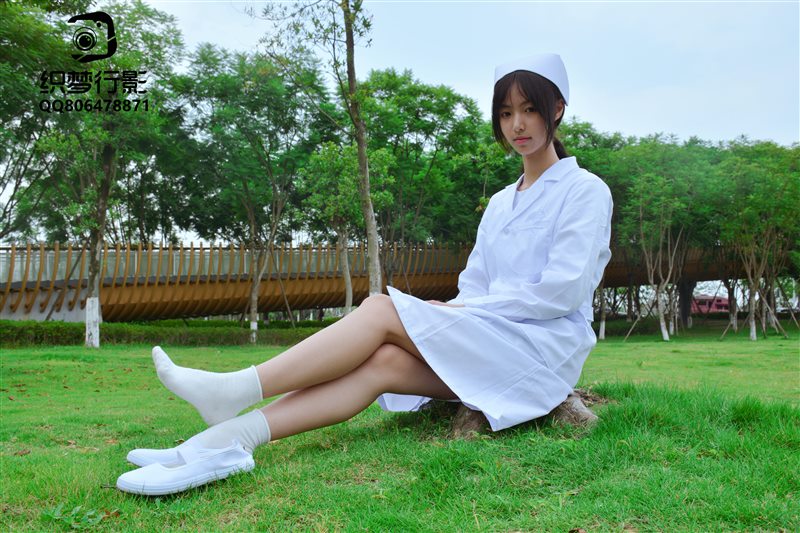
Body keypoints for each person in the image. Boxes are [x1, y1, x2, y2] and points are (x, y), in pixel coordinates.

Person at [116, 53, 613, 496]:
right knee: (383, 365)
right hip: (488, 340)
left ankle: (236, 390)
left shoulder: (585, 190)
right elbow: (476, 283)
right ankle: (223, 441)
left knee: (379, 309)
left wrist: (461, 311)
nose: (516, 124)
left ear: (556, 110)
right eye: (505, 113)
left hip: (541, 352)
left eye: (529, 110)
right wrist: (456, 309)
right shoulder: (503, 202)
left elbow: (563, 292)